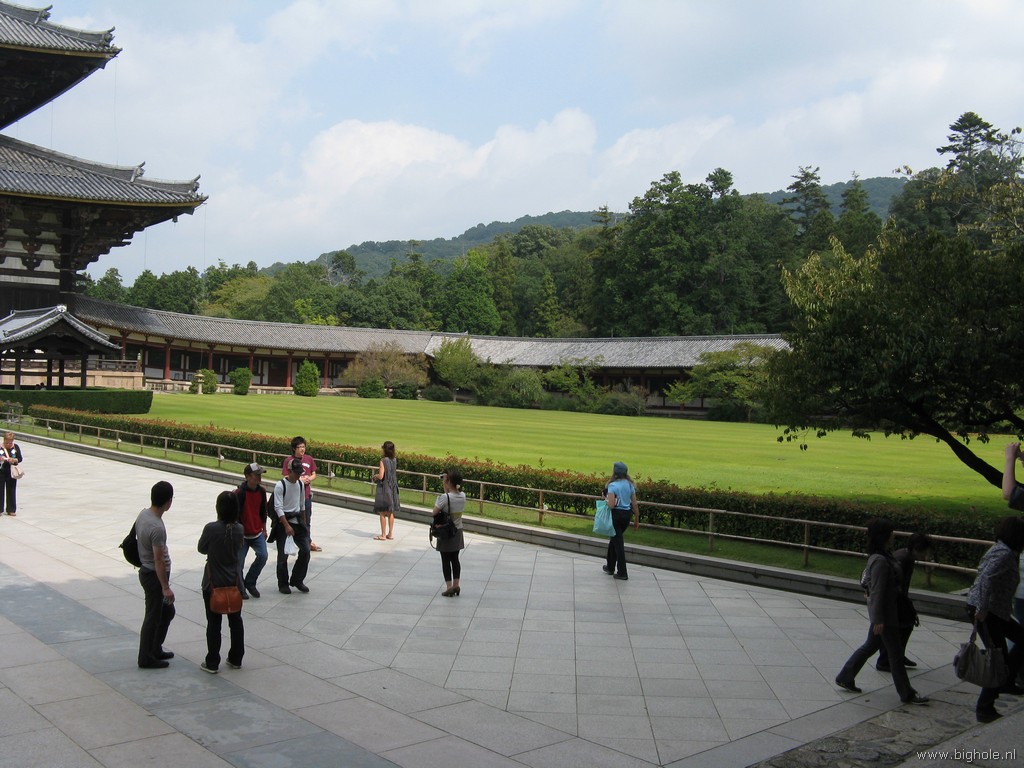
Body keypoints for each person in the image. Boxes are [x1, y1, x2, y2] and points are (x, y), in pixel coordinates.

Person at [835, 518, 929, 705]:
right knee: (895, 655)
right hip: (886, 616)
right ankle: (907, 694)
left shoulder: (884, 556)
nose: (893, 536)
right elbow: (877, 591)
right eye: (891, 533)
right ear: (884, 536)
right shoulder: (879, 560)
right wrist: (877, 619)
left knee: (871, 646)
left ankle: (845, 676)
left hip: (886, 613)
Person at [967, 511, 1024, 723]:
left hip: (996, 611)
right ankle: (984, 707)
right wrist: (982, 609)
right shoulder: (1004, 554)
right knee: (997, 658)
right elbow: (985, 580)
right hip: (986, 612)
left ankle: (1007, 681)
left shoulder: (1004, 550)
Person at [198, 491, 245, 673]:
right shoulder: (239, 529)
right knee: (236, 621)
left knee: (214, 623)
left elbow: (202, 548)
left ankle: (212, 661)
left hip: (213, 582)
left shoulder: (211, 528)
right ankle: (236, 658)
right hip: (234, 582)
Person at [876, 532, 933, 672]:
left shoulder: (907, 556)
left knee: (903, 627)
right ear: (918, 548)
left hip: (898, 599)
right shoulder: (903, 559)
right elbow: (894, 583)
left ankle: (896, 656)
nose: (926, 554)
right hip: (894, 600)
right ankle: (887, 660)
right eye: (925, 551)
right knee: (896, 629)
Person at [136, 481, 176, 669]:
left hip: (149, 572)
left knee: (167, 612)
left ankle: (155, 648)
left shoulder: (143, 514)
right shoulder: (157, 527)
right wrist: (165, 587)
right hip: (153, 576)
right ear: (168, 502)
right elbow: (158, 560)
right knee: (153, 616)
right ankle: (146, 657)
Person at [275, 458, 311, 594]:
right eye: (296, 473)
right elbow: (278, 508)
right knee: (283, 556)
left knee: (306, 550)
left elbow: (302, 506)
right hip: (284, 522)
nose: (298, 475)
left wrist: (304, 525)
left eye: (299, 472)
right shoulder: (280, 486)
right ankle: (283, 583)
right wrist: (286, 525)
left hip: (297, 521)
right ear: (289, 471)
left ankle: (297, 579)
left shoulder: (300, 484)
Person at [234, 462, 268, 599]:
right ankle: (240, 587)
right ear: (247, 476)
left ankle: (250, 582)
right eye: (256, 475)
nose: (259, 478)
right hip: (242, 535)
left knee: (263, 556)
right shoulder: (239, 493)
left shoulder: (261, 491)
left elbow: (263, 511)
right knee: (239, 563)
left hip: (257, 532)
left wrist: (264, 529)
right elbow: (235, 515)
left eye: (260, 475)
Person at [432, 468, 466, 597]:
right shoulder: (463, 496)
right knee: (455, 559)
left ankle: (449, 587)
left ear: (449, 481)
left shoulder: (444, 498)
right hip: (458, 530)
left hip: (446, 532)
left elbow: (434, 512)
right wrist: (447, 484)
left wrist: (445, 485)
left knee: (445, 559)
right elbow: (450, 496)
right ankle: (456, 585)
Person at [602, 461, 639, 580]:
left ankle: (622, 572)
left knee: (618, 543)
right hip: (627, 515)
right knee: (614, 539)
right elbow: (634, 503)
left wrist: (605, 498)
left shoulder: (612, 486)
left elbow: (611, 505)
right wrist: (637, 518)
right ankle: (610, 566)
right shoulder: (630, 485)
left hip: (616, 515)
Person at [284, 436, 320, 551]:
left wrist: (309, 478)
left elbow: (314, 474)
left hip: (306, 495)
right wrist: (299, 480)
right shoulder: (289, 461)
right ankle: (290, 540)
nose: (302, 449)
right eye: (300, 447)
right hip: (293, 497)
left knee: (306, 520)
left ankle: (307, 541)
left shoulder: (309, 459)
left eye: (304, 446)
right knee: (292, 520)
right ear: (294, 448)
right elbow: (285, 476)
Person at [373, 440, 399, 540]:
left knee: (382, 512)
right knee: (390, 512)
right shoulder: (394, 460)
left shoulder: (383, 461)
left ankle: (383, 534)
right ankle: (390, 533)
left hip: (384, 488)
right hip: (393, 487)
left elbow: (381, 476)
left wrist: (375, 476)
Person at [0, 430, 23, 516]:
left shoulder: (15, 447)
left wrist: (14, 460)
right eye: (7, 443)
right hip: (1, 471)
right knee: (0, 490)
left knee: (11, 489)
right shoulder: (0, 447)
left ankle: (11, 509)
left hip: (11, 472)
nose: (9, 444)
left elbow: (20, 458)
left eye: (10, 442)